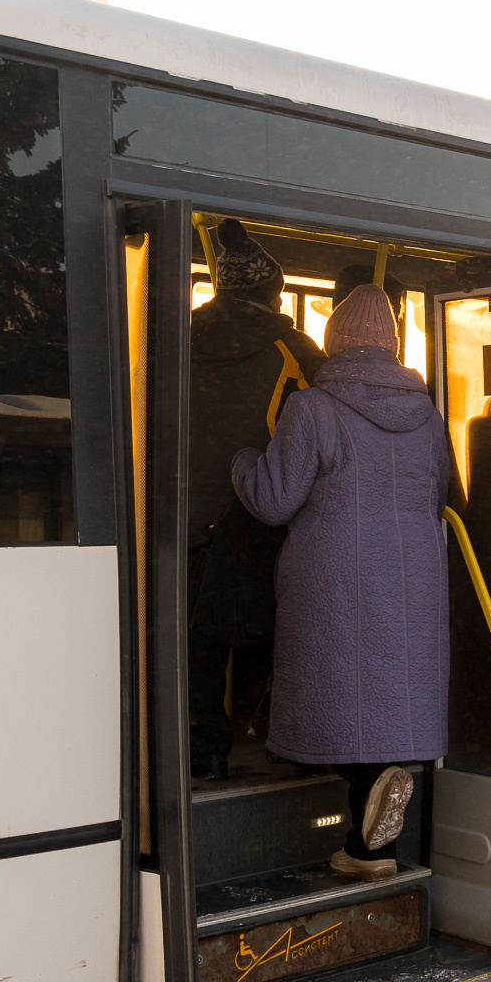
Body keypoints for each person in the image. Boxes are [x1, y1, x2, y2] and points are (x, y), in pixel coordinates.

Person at [231, 284, 449, 879]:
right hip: (414, 577)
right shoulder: (427, 415)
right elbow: (442, 491)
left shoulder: (313, 407)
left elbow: (274, 501)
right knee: (386, 700)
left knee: (337, 697)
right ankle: (368, 849)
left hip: (334, 576)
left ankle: (369, 791)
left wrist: (243, 460)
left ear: (335, 340)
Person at [186, 219, 326, 780]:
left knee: (199, 639)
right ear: (273, 294)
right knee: (278, 629)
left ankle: (203, 752)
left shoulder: (171, 335)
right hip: (259, 513)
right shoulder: (290, 348)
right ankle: (274, 734)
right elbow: (329, 420)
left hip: (179, 512)